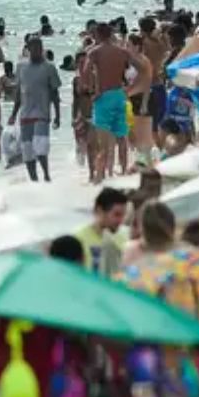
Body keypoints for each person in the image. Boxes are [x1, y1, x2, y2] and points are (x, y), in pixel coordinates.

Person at [80, 22, 149, 183]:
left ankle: (100, 177)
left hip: (103, 97)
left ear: (97, 35)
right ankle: (123, 172)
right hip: (120, 95)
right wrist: (130, 87)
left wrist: (90, 90)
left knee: (103, 145)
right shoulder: (122, 51)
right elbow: (143, 70)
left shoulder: (94, 52)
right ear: (110, 34)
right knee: (121, 137)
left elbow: (84, 74)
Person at [15, 37, 61, 182]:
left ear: (42, 49)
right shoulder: (21, 67)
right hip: (25, 114)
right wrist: (13, 114)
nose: (36, 51)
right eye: (33, 48)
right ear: (28, 49)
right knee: (27, 151)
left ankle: (46, 175)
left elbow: (55, 93)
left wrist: (58, 115)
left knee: (41, 147)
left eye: (38, 48)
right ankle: (34, 180)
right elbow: (18, 92)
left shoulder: (49, 67)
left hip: (42, 114)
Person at [75, 188, 131, 275]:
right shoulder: (78, 239)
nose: (121, 220)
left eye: (124, 215)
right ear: (99, 211)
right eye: (117, 215)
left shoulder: (127, 237)